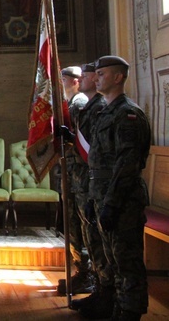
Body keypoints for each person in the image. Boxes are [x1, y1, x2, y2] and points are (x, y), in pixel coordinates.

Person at [81, 56, 151, 320]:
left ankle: (130, 312)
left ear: (118, 77)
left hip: (123, 201)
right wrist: (92, 199)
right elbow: (97, 159)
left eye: (102, 74)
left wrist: (110, 203)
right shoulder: (105, 111)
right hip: (102, 198)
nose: (97, 78)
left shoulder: (128, 115)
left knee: (127, 263)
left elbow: (126, 165)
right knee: (112, 260)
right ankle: (115, 306)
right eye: (96, 74)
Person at [68, 63, 111, 316]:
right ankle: (97, 288)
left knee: (98, 239)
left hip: (99, 185)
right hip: (87, 182)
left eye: (87, 75)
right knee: (88, 234)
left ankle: (108, 296)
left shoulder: (101, 108)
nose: (82, 79)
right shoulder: (93, 106)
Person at [56, 66, 90, 294]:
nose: (60, 83)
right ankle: (82, 272)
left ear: (73, 81)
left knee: (82, 225)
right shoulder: (71, 103)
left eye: (63, 79)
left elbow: (84, 142)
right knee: (74, 226)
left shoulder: (78, 103)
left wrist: (69, 139)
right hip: (72, 172)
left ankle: (87, 274)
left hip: (81, 175)